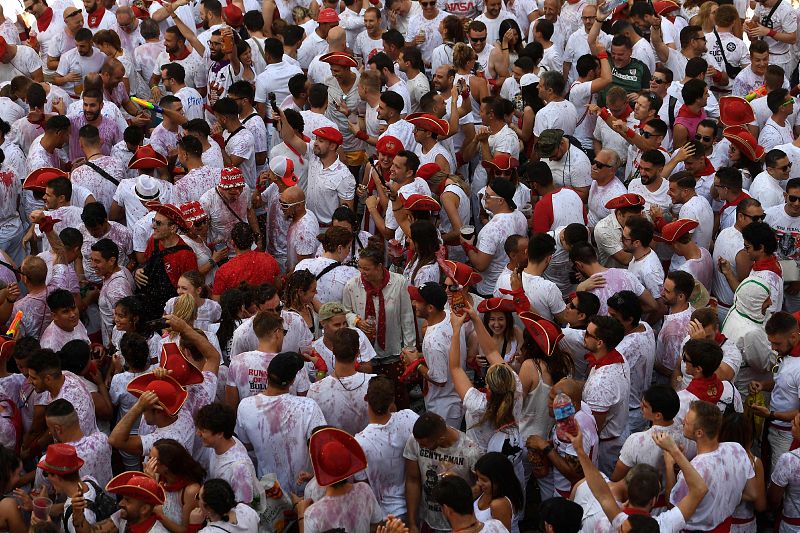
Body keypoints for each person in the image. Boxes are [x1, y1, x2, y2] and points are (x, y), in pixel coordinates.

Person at [234, 352, 325, 494]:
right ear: (293, 381)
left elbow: (246, 444)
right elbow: (321, 449)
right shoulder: (308, 406)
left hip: (269, 492)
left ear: (267, 374)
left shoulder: (245, 406)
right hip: (302, 491)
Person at [403, 412, 483, 533]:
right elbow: (412, 480)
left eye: (424, 445)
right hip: (428, 521)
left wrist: (459, 493)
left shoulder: (469, 451)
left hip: (460, 526)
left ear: (440, 439)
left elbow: (482, 486)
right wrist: (412, 523)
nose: (420, 447)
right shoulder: (415, 441)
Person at [354, 376, 418, 520]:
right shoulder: (409, 417)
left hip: (383, 516)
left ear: (366, 399)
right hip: (414, 506)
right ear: (392, 400)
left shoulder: (359, 442)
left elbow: (362, 487)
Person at [308, 328, 375, 435]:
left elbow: (314, 431)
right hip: (367, 448)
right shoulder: (374, 384)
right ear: (357, 353)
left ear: (333, 350)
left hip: (334, 448)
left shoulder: (315, 390)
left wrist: (321, 372)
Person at [72, 471, 168, 532]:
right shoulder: (122, 517)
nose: (120, 503)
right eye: (123, 498)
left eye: (127, 500)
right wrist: (77, 513)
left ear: (144, 509)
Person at [188, 479, 259, 532]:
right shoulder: (246, 510)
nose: (196, 499)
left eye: (198, 497)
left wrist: (194, 526)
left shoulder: (209, 531)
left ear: (209, 508)